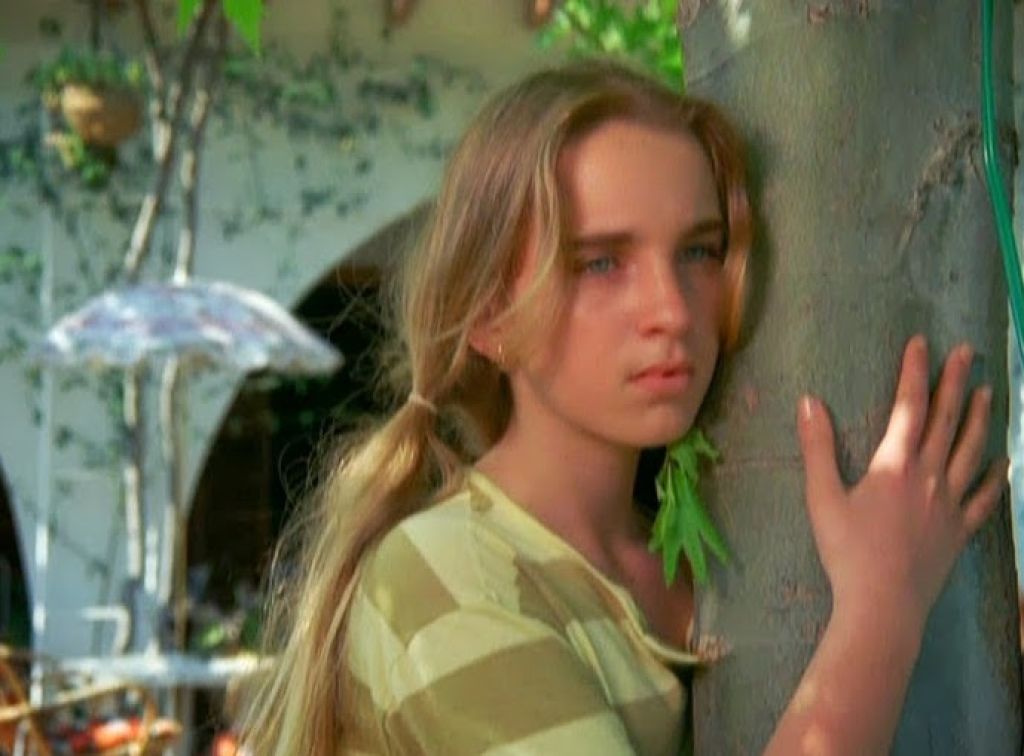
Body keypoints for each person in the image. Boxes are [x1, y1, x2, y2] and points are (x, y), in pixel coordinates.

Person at [237, 59, 1008, 755]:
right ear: (489, 316)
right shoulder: (446, 576)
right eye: (601, 263)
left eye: (699, 251)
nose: (672, 310)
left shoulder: (698, 552)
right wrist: (882, 608)